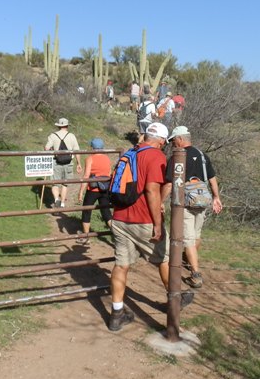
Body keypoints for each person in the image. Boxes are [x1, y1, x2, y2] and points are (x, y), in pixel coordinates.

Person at [108, 123, 193, 332]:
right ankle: (176, 299)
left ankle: (116, 314)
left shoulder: (129, 153)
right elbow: (151, 191)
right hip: (142, 220)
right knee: (164, 258)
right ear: (162, 140)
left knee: (121, 265)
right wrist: (157, 224)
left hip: (119, 218)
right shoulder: (156, 157)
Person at [161, 126, 223, 289]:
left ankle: (195, 275)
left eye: (173, 140)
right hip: (202, 199)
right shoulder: (202, 155)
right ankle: (190, 261)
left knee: (188, 239)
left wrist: (160, 201)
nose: (173, 144)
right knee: (196, 235)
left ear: (180, 139)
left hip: (185, 202)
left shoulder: (177, 157)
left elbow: (168, 184)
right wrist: (216, 197)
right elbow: (212, 178)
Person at [77, 138, 112, 242]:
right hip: (104, 188)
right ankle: (116, 233)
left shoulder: (90, 158)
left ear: (92, 147)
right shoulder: (107, 158)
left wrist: (81, 191)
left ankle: (86, 236)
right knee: (106, 212)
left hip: (93, 189)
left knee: (86, 211)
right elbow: (109, 173)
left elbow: (87, 175)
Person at [45, 118, 82, 208]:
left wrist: (52, 149)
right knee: (65, 183)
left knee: (55, 183)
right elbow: (77, 151)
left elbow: (46, 148)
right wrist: (79, 163)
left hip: (56, 162)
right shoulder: (71, 136)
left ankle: (56, 199)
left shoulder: (53, 135)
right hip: (68, 162)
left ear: (58, 126)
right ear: (67, 126)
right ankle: (62, 203)